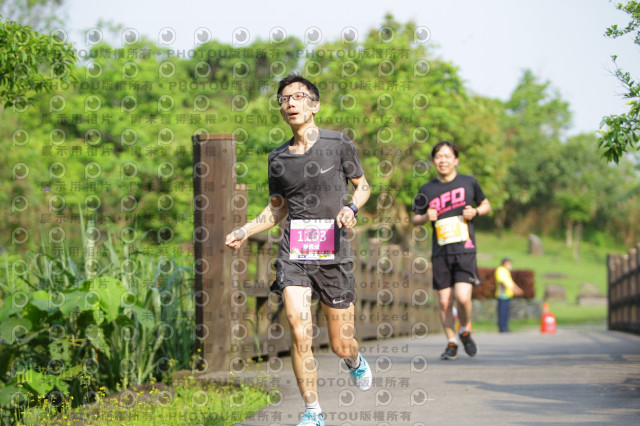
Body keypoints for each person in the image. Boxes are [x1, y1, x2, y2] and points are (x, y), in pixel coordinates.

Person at [225, 73, 372, 426]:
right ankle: (312, 411)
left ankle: (353, 360)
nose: (291, 103)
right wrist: (245, 229)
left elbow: (363, 186)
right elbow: (277, 209)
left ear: (315, 105)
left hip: (334, 254)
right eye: (284, 99)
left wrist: (351, 208)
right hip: (295, 254)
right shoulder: (278, 158)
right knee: (298, 326)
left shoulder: (338, 143)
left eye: (299, 96)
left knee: (341, 344)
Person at [412, 141, 491, 360]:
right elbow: (414, 218)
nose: (443, 160)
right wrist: (425, 217)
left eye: (447, 156)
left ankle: (464, 329)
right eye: (438, 156)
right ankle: (451, 342)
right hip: (441, 252)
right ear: (433, 161)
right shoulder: (426, 190)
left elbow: (486, 205)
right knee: (444, 301)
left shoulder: (469, 182)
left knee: (463, 298)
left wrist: (475, 212)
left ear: (455, 160)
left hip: (465, 249)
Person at [495, 257, 524, 332]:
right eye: (509, 263)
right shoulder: (500, 270)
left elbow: (511, 282)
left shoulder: (506, 271)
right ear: (505, 263)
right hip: (502, 294)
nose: (510, 265)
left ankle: (505, 327)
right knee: (502, 312)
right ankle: (502, 328)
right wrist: (513, 290)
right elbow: (503, 282)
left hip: (507, 295)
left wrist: (517, 289)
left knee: (506, 313)